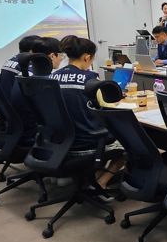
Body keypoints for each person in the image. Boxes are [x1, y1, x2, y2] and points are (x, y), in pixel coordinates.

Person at [51, 36, 124, 187]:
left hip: (60, 142)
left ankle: (91, 177)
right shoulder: (90, 79)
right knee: (129, 144)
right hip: (87, 143)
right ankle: (101, 183)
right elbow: (107, 110)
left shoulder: (53, 77)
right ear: (87, 57)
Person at [11, 37, 62, 146]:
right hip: (36, 131)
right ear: (53, 56)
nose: (62, 59)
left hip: (23, 126)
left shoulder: (24, 74)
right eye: (61, 55)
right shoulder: (44, 80)